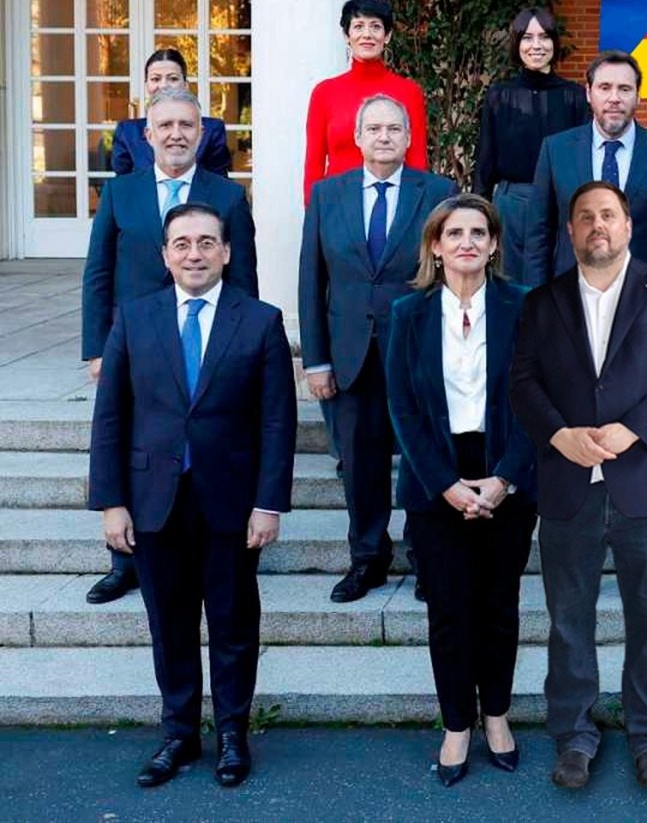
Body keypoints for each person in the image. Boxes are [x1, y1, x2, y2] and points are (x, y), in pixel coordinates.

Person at [88, 202, 294, 789]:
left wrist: (268, 502)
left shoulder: (259, 320)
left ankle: (232, 732)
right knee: (169, 624)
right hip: (153, 502)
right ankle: (178, 733)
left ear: (227, 252)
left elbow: (277, 422)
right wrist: (111, 501)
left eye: (207, 242)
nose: (195, 253)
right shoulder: (135, 316)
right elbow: (111, 418)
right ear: (165, 255)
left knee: (232, 624)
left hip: (231, 503)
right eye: (182, 243)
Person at [509, 181, 647, 793]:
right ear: (570, 231)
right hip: (568, 485)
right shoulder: (542, 301)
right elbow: (524, 380)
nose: (597, 226)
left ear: (628, 225)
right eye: (585, 217)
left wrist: (634, 430)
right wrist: (558, 435)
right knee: (568, 620)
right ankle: (574, 735)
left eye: (608, 215)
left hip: (643, 483)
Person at [82, 87, 258, 606]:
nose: (176, 134)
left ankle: (218, 542)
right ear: (147, 135)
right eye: (166, 126)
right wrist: (97, 348)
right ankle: (126, 563)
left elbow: (243, 276)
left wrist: (244, 345)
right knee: (134, 441)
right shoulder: (121, 193)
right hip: (134, 344)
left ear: (201, 134)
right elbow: (98, 273)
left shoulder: (226, 196)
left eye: (187, 125)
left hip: (206, 339)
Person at [385, 193, 536, 787]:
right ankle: (456, 725)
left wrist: (504, 478)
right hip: (436, 479)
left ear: (495, 244)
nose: (467, 241)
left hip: (507, 471)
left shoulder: (524, 308)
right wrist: (445, 484)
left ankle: (496, 715)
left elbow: (536, 400)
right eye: (454, 233)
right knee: (449, 612)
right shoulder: (408, 313)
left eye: (479, 231)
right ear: (436, 246)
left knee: (499, 608)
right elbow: (402, 406)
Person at [300, 95, 457, 602]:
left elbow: (451, 273)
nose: (384, 136)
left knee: (420, 456)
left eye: (394, 128)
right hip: (351, 354)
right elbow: (312, 281)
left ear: (409, 139)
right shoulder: (328, 195)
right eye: (374, 128)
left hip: (416, 352)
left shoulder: (437, 192)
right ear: (358, 137)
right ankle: (367, 558)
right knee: (360, 462)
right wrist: (316, 359)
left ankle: (427, 557)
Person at [526, 51, 647, 281]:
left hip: (645, 300)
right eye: (604, 87)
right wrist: (537, 304)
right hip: (570, 297)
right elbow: (538, 237)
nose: (614, 97)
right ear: (588, 93)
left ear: (638, 96)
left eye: (624, 89)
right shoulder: (556, 151)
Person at [474, 7, 590, 282]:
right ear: (517, 44)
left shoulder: (574, 97)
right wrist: (477, 212)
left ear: (554, 43)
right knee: (510, 285)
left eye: (544, 37)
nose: (536, 45)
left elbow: (582, 159)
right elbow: (486, 158)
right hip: (513, 204)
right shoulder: (499, 95)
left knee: (560, 287)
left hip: (562, 202)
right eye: (527, 37)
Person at [303, 0, 430, 199]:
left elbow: (417, 162)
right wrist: (313, 218)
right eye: (358, 26)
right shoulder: (324, 92)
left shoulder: (409, 92)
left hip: (393, 204)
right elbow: (313, 166)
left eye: (375, 26)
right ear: (347, 35)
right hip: (338, 205)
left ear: (387, 35)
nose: (367, 35)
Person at [109, 49, 233, 175]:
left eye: (173, 79)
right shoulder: (128, 132)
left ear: (185, 85)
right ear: (147, 85)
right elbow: (121, 185)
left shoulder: (212, 130)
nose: (163, 85)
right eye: (155, 79)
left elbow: (220, 184)